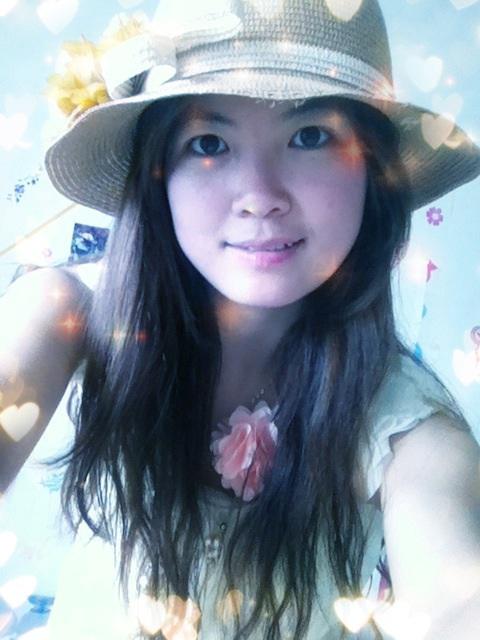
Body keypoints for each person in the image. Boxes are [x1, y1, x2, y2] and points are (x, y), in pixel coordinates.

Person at [1, 0, 480, 638]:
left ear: (373, 169)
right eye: (209, 143)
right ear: (158, 176)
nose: (259, 196)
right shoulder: (64, 313)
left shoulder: (407, 422)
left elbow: (455, 589)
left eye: (311, 136)